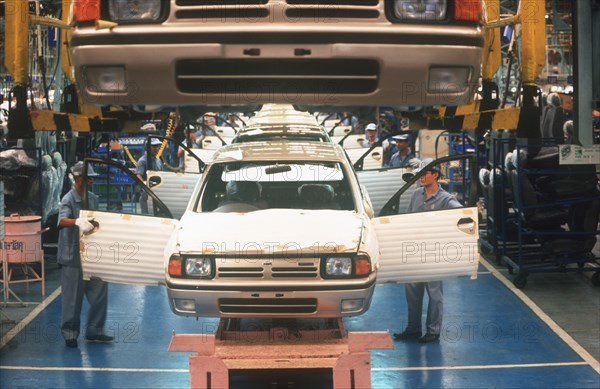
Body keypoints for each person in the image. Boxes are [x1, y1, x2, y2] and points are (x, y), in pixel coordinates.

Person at [394, 158, 462, 343]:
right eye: (419, 173)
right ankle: (413, 329)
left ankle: (433, 331)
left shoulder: (446, 199)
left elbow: (462, 215)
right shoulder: (416, 194)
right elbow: (408, 219)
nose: (421, 176)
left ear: (436, 175)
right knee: (412, 292)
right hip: (415, 251)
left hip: (433, 253)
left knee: (434, 293)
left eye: (425, 173)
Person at [58, 161, 113, 348]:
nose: (91, 181)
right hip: (73, 257)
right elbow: (62, 221)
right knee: (72, 298)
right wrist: (76, 221)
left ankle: (95, 330)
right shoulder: (68, 199)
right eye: (88, 178)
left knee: (100, 291)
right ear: (77, 178)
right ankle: (70, 334)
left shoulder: (92, 198)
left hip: (92, 256)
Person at [135, 137, 164, 213]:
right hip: (147, 195)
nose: (157, 148)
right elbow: (138, 175)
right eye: (154, 146)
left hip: (157, 193)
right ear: (147, 147)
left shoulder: (158, 160)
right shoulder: (143, 161)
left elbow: (162, 175)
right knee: (147, 215)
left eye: (158, 146)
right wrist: (146, 187)